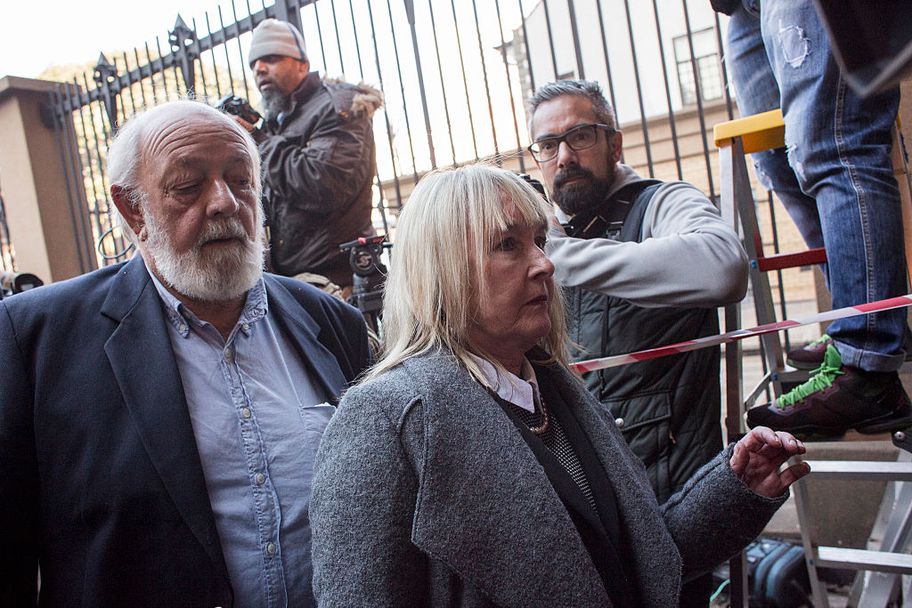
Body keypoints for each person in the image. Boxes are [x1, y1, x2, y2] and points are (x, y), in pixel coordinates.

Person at [310, 164, 809, 607]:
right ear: (443, 269)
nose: (545, 264)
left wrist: (733, 490)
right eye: (508, 245)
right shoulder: (385, 418)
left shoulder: (554, 390)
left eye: (539, 241)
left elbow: (635, 565)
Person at [0, 100, 371, 606]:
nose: (224, 202)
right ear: (133, 209)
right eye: (188, 186)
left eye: (240, 180)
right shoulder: (35, 340)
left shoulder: (331, 323)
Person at [527, 79, 748, 605]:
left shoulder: (662, 203)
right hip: (580, 500)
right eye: (548, 145)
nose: (564, 157)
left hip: (671, 501)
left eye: (580, 136)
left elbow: (723, 267)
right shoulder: (541, 231)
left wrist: (555, 257)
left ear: (614, 143)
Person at [715, 0, 912, 437]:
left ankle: (865, 364)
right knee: (779, 162)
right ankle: (861, 318)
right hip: (741, 9)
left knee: (835, 143)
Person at [237, 18, 383, 290]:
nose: (259, 68)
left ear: (302, 64)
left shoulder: (337, 106)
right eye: (254, 63)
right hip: (297, 282)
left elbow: (323, 184)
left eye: (271, 58)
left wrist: (257, 140)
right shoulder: (280, 119)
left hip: (338, 283)